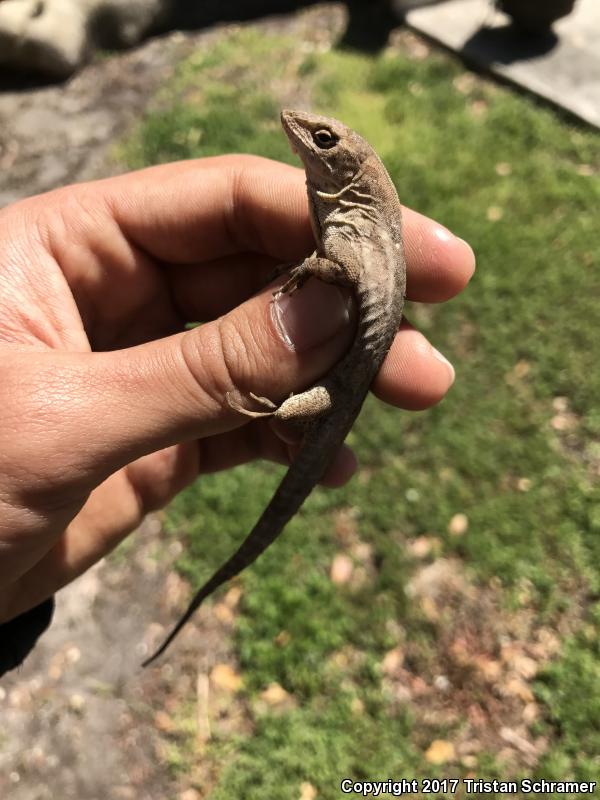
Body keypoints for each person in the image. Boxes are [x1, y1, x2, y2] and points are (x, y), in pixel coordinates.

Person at [0, 155, 475, 672]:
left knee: (291, 419)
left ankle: (273, 403)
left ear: (352, 172)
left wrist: (307, 278)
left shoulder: (362, 226)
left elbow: (342, 266)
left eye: (322, 140)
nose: (298, 131)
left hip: (335, 394)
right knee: (300, 429)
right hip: (340, 369)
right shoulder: (357, 217)